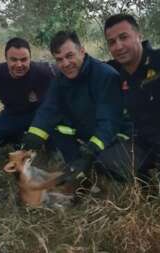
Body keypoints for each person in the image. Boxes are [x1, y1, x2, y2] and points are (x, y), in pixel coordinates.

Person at [22, 31, 127, 186]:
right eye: (59, 59)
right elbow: (48, 109)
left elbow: (109, 123)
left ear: (82, 51)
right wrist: (32, 139)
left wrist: (90, 152)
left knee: (111, 170)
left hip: (114, 135)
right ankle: (77, 169)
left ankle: (91, 167)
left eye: (70, 56)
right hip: (86, 129)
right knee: (56, 128)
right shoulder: (60, 78)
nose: (65, 64)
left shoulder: (105, 75)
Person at [105, 14, 160, 181]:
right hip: (147, 144)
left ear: (139, 36)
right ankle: (145, 183)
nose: (118, 46)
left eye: (123, 37)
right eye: (112, 42)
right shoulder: (119, 76)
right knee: (107, 163)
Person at [0, 37, 56, 150]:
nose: (19, 64)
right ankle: (10, 134)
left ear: (30, 58)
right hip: (12, 115)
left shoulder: (44, 70)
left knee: (51, 143)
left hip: (39, 115)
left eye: (24, 59)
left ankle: (23, 138)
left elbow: (68, 77)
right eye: (14, 60)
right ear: (6, 59)